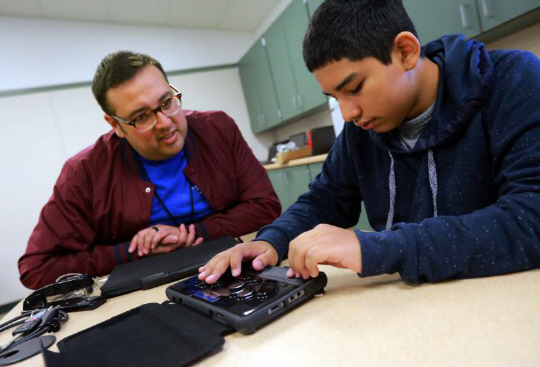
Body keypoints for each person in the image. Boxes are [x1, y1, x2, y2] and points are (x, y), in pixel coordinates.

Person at [199, 0, 540, 285]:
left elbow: (531, 219)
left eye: (355, 87)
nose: (348, 113)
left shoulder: (514, 81)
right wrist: (271, 241)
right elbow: (326, 199)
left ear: (405, 51)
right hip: (409, 303)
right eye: (335, 97)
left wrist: (380, 248)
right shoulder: (364, 127)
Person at [19, 51, 281, 289]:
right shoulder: (84, 172)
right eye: (142, 116)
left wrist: (189, 234)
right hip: (142, 285)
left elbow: (265, 206)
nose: (165, 122)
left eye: (167, 102)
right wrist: (134, 251)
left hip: (232, 268)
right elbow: (37, 268)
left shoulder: (218, 128)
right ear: (116, 125)